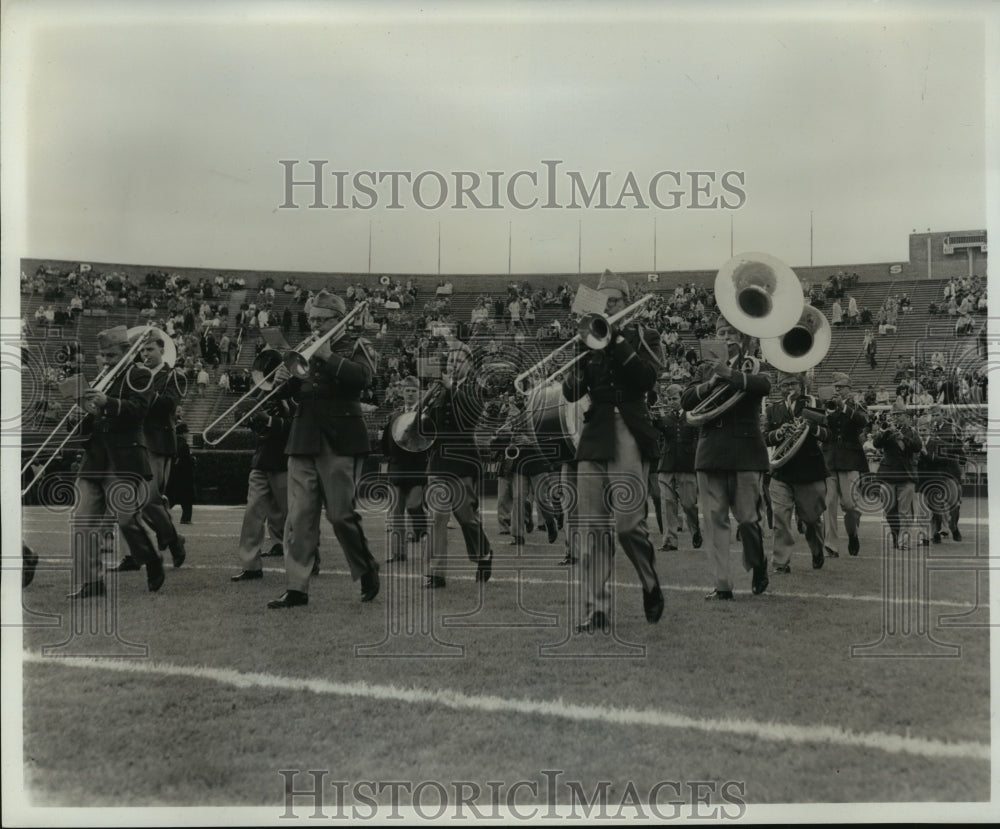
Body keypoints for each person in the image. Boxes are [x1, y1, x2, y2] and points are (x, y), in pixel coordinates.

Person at [562, 269, 664, 631]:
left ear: (627, 304)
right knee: (591, 529)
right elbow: (571, 393)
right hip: (595, 433)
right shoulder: (586, 340)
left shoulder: (642, 334)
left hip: (629, 430)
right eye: (603, 303)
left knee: (627, 525)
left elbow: (647, 380)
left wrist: (616, 340)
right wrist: (576, 358)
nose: (608, 308)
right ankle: (597, 610)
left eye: (615, 302)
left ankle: (649, 580)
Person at [267, 291, 381, 608]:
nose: (315, 324)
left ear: (339, 318)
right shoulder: (303, 348)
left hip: (340, 439)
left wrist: (328, 356)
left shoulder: (359, 346)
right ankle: (297, 587)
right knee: (299, 516)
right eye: (312, 319)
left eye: (321, 319)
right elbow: (290, 391)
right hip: (303, 438)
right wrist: (278, 382)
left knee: (340, 515)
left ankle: (366, 567)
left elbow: (363, 379)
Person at [67, 325, 164, 597]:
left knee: (126, 521)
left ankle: (152, 559)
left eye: (111, 355)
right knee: (83, 521)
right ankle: (92, 582)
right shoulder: (100, 378)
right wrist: (79, 416)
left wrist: (107, 401)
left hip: (124, 456)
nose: (106, 361)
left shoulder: (139, 374)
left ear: (125, 352)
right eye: (103, 356)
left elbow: (140, 410)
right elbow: (94, 418)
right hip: (95, 458)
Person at [681, 316, 771, 600]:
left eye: (731, 332)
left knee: (747, 520)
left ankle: (758, 565)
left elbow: (763, 386)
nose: (725, 337)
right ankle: (722, 585)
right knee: (714, 520)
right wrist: (711, 382)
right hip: (709, 453)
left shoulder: (753, 365)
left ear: (743, 339)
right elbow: (686, 401)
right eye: (720, 332)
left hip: (745, 453)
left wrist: (729, 374)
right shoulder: (705, 369)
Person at [111, 332, 188, 573]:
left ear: (162, 351)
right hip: (132, 440)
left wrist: (145, 393)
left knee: (148, 499)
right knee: (124, 500)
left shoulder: (174, 375)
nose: (145, 355)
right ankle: (134, 555)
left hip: (157, 441)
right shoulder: (131, 375)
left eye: (150, 350)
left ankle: (173, 538)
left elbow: (169, 405)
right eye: (142, 351)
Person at [424, 340, 494, 588]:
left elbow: (470, 416)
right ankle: (436, 573)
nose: (452, 364)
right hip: (438, 462)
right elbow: (428, 427)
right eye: (450, 360)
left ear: (470, 364)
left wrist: (451, 387)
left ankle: (483, 554)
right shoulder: (440, 390)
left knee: (466, 517)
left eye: (458, 360)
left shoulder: (476, 387)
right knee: (437, 517)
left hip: (462, 461)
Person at [231, 350, 294, 581]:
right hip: (261, 460)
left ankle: (308, 557)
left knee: (293, 515)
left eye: (277, 371)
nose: (273, 376)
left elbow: (296, 426)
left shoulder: (293, 395)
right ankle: (250, 566)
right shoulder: (260, 393)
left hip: (285, 460)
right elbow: (244, 413)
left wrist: (268, 420)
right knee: (252, 513)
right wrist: (248, 417)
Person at [764, 372, 830, 572]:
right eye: (784, 385)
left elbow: (829, 434)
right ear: (779, 387)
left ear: (801, 386)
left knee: (811, 519)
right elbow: (764, 437)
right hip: (782, 472)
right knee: (781, 518)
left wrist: (812, 428)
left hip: (809, 471)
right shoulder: (772, 410)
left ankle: (817, 550)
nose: (789, 387)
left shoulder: (814, 403)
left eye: (793, 383)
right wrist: (779, 433)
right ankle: (781, 563)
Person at [380, 375, 430, 563]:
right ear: (401, 392)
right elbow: (386, 443)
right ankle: (398, 553)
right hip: (397, 470)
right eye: (407, 390)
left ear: (419, 393)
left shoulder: (426, 416)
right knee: (396, 513)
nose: (410, 394)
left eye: (413, 391)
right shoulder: (394, 416)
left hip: (418, 470)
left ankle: (426, 543)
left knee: (414, 507)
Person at [821, 372, 869, 558]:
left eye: (840, 387)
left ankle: (852, 534)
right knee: (829, 504)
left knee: (850, 505)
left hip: (850, 459)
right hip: (830, 458)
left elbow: (862, 422)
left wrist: (844, 408)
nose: (837, 390)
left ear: (849, 388)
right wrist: (827, 412)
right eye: (836, 387)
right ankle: (830, 545)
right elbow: (825, 427)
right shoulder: (828, 405)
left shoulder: (857, 404)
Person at [653, 383, 702, 552]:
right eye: (669, 399)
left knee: (689, 505)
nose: (671, 402)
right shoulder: (664, 418)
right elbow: (657, 434)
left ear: (683, 398)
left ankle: (695, 530)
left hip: (687, 466)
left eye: (674, 398)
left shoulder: (692, 416)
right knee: (668, 504)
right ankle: (670, 541)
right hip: (666, 465)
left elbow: (698, 440)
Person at [872, 401, 923, 550]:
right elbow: (876, 444)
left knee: (905, 511)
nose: (897, 418)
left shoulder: (912, 432)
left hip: (906, 476)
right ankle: (895, 534)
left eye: (899, 415)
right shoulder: (886, 430)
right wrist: (884, 432)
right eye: (894, 415)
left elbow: (917, 446)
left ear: (907, 417)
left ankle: (904, 542)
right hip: (888, 475)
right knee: (889, 510)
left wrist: (902, 437)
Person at [921, 404, 966, 544]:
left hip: (951, 470)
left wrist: (962, 463)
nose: (934, 418)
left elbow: (959, 447)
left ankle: (953, 526)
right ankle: (936, 532)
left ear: (942, 414)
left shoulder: (951, 428)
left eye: (937, 415)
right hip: (936, 470)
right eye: (932, 415)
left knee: (955, 503)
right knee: (935, 503)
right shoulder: (930, 429)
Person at [166, 423, 195, 524]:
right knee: (187, 500)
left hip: (173, 475)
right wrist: (193, 460)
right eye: (186, 432)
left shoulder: (173, 443)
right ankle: (186, 518)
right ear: (183, 433)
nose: (188, 434)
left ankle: (162, 515)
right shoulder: (184, 445)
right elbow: (186, 462)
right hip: (185, 476)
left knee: (171, 497)